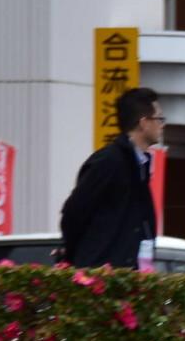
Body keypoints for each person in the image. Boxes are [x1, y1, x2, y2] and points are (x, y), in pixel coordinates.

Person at [59, 87, 164, 269]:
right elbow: (74, 212)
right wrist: (78, 257)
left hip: (131, 275)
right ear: (144, 122)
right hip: (104, 277)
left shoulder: (140, 164)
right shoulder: (109, 161)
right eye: (159, 119)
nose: (162, 125)